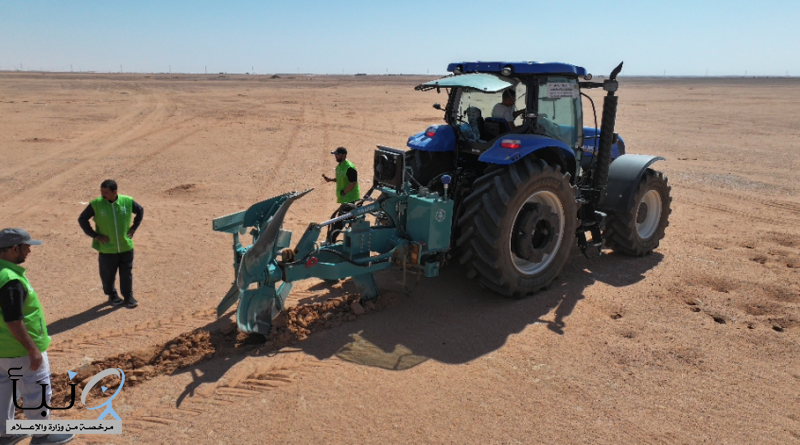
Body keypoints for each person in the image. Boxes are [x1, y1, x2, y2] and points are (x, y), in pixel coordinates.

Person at [0, 228, 74, 445]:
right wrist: (32, 349)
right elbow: (13, 320)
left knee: (4, 390)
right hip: (19, 351)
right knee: (37, 391)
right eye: (26, 246)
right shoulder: (10, 279)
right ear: (15, 249)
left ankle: (5, 434)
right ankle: (43, 435)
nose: (29, 250)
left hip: (2, 352)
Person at [77, 180, 143, 308]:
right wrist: (95, 235)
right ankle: (112, 294)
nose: (103, 195)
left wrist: (134, 228)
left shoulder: (127, 201)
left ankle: (128, 296)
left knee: (126, 273)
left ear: (115, 192)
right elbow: (82, 219)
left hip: (125, 246)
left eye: (106, 192)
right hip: (107, 249)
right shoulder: (96, 204)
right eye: (101, 192)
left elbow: (140, 211)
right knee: (107, 274)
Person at [321, 147, 361, 243]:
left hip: (350, 198)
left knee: (340, 221)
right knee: (350, 220)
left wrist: (344, 192)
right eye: (335, 154)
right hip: (345, 198)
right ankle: (353, 241)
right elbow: (342, 178)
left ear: (344, 155)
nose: (336, 156)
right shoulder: (340, 166)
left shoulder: (349, 167)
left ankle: (331, 241)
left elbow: (353, 182)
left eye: (337, 154)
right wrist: (331, 180)